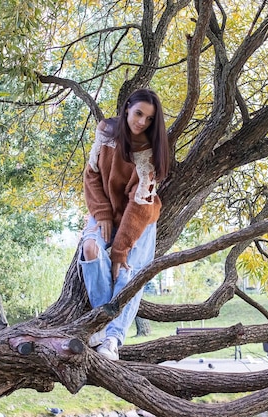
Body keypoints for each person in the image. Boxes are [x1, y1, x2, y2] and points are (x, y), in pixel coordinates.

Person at [80, 88, 170, 360]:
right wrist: (103, 213)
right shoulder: (106, 131)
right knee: (91, 251)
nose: (142, 122)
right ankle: (101, 323)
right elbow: (91, 174)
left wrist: (120, 249)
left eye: (149, 119)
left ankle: (112, 339)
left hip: (138, 217)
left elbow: (140, 204)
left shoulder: (149, 153)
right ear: (127, 108)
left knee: (126, 271)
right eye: (139, 113)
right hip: (105, 208)